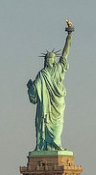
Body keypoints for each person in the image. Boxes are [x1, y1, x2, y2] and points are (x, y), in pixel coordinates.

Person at [27, 21, 74, 151]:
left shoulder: (59, 68)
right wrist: (31, 88)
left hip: (57, 103)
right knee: (44, 124)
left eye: (52, 58)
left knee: (58, 125)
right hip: (45, 107)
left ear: (54, 60)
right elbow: (34, 95)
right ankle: (44, 146)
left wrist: (69, 35)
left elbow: (65, 54)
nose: (49, 60)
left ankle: (55, 143)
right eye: (47, 58)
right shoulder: (42, 74)